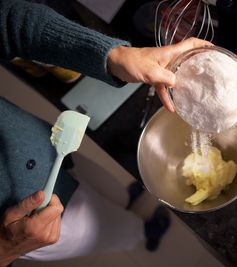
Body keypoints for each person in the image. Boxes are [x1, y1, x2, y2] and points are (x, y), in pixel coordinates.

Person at [0, 0, 212, 266]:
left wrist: (116, 56)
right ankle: (141, 232)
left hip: (43, 144)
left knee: (100, 181)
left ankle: (125, 199)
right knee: (108, 229)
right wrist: (5, 248)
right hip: (29, 219)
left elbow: (7, 23)